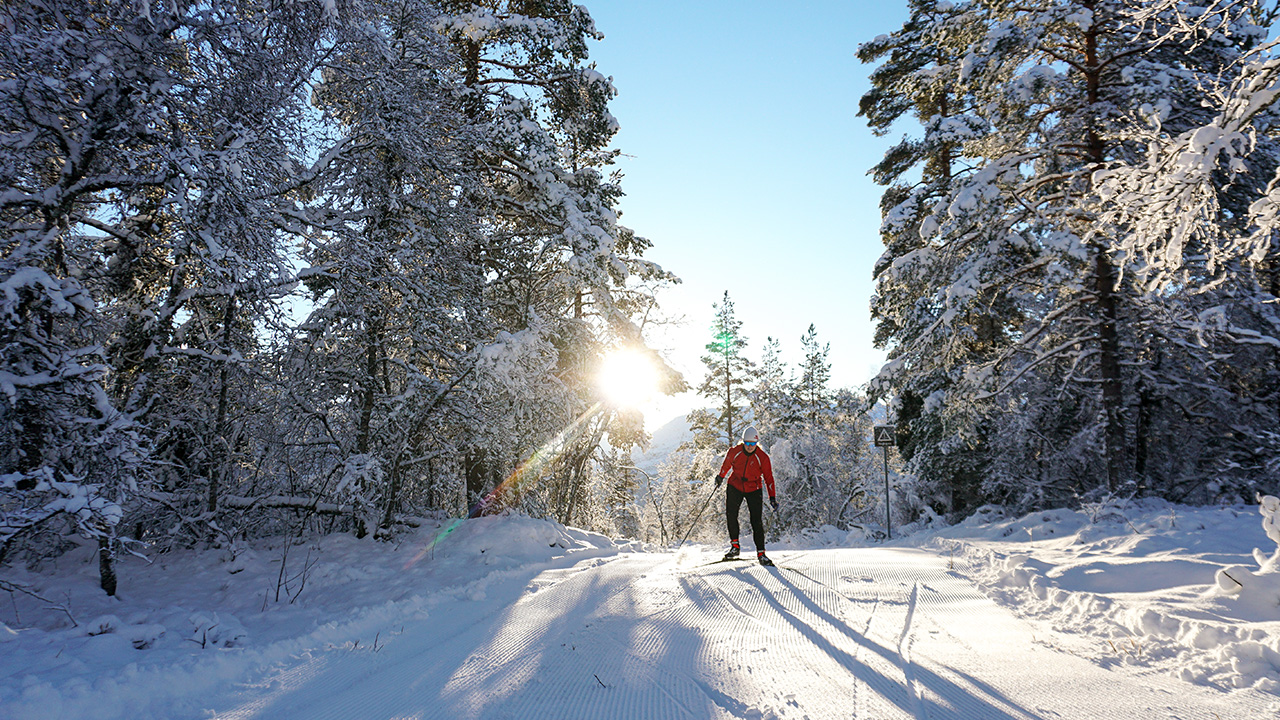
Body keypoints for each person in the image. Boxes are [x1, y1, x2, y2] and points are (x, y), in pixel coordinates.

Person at [715, 426, 778, 566]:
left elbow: (769, 478)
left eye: (753, 444)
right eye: (747, 443)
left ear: (757, 443)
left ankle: (761, 554)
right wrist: (720, 476)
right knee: (731, 514)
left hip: (754, 488)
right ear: (743, 442)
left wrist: (772, 497)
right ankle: (735, 547)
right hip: (735, 485)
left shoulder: (762, 457)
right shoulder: (735, 452)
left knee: (756, 520)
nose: (750, 447)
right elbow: (727, 464)